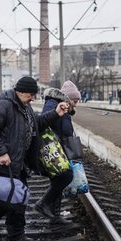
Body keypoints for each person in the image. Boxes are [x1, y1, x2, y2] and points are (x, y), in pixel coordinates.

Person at [0, 76, 70, 241]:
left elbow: (38, 123)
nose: (33, 98)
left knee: (15, 195)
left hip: (18, 161)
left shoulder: (24, 107)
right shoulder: (4, 105)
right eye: (31, 94)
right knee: (18, 198)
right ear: (20, 92)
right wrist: (2, 152)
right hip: (5, 162)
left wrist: (56, 113)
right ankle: (16, 235)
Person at [34, 80, 81, 224]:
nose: (76, 103)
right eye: (75, 100)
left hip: (59, 147)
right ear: (67, 97)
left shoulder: (62, 105)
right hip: (52, 148)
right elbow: (44, 122)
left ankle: (54, 216)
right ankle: (43, 204)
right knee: (64, 176)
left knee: (58, 179)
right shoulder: (52, 104)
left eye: (77, 100)